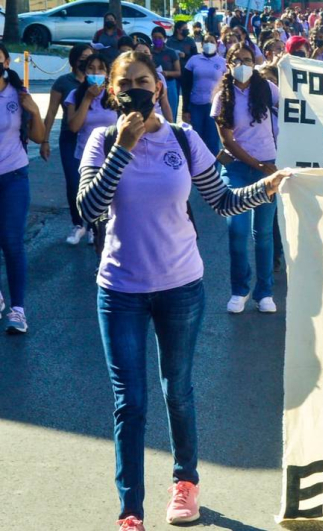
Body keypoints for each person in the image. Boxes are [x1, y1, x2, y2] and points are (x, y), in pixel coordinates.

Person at [75, 51, 287, 531]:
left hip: (180, 287)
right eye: (126, 83)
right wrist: (123, 148)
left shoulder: (184, 138)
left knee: (179, 391)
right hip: (120, 290)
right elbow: (88, 209)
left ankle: (185, 482)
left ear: (159, 87)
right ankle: (131, 509)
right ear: (113, 91)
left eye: (144, 81)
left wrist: (267, 187)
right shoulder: (102, 141)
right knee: (130, 402)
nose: (136, 89)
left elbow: (221, 200)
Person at [212, 44, 280, 315]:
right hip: (238, 170)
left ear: (255, 62)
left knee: (263, 234)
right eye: (237, 60)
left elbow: (296, 111)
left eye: (248, 60)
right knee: (237, 232)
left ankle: (265, 292)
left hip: (268, 168)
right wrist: (257, 165)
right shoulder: (222, 98)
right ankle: (239, 290)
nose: (243, 65)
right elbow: (227, 140)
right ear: (228, 64)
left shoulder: (267, 89)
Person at [0, 44, 45, 334]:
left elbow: (39, 136)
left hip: (13, 176)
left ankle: (18, 310)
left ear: (6, 62)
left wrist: (35, 112)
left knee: (11, 240)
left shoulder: (18, 95)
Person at [40, 43, 93, 245]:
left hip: (93, 139)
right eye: (82, 57)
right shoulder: (63, 82)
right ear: (74, 60)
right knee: (74, 183)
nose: (86, 61)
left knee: (95, 183)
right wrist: (45, 140)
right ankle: (78, 224)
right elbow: (51, 112)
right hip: (69, 138)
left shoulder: (97, 80)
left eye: (89, 57)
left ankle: (93, 226)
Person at [65, 52, 118, 245]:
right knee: (87, 196)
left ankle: (99, 232)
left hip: (111, 156)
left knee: (109, 200)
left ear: (107, 73)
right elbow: (74, 126)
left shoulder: (114, 96)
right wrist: (87, 99)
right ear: (85, 72)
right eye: (91, 69)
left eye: (100, 69)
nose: (96, 73)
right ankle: (85, 226)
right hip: (85, 156)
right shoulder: (75, 95)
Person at [182, 34, 226, 156]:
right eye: (206, 41)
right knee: (196, 139)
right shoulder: (193, 60)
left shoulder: (222, 62)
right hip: (196, 105)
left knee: (212, 140)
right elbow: (186, 86)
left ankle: (214, 165)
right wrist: (185, 109)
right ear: (202, 44)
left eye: (212, 41)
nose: (209, 44)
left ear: (216, 44)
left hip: (215, 106)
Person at [133, 42, 174, 122]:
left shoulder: (159, 77)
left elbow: (165, 103)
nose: (143, 55)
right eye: (139, 53)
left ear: (151, 56)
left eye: (146, 52)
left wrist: (171, 124)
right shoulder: (129, 78)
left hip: (157, 121)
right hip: (136, 121)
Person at [150, 27, 181, 122]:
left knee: (170, 112)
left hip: (169, 84)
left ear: (164, 38)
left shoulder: (171, 52)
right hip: (154, 85)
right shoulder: (149, 52)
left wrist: (166, 73)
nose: (157, 40)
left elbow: (178, 72)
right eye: (155, 37)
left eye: (159, 38)